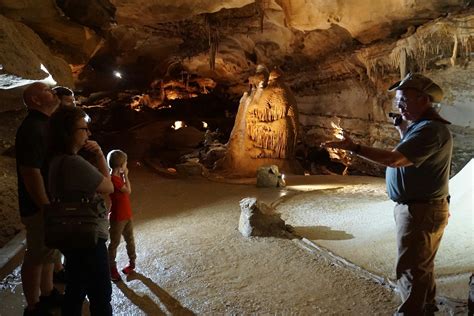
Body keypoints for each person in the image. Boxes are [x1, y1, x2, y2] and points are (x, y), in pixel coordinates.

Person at [321, 73, 452, 316]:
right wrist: (404, 132)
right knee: (421, 266)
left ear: (423, 100)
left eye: (403, 101)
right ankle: (426, 309)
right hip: (421, 207)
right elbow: (415, 162)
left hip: (420, 209)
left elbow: (395, 160)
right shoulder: (422, 128)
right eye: (397, 102)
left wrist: (355, 148)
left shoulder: (430, 131)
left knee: (410, 269)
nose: (399, 107)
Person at [48, 106, 114, 315]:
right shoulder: (74, 163)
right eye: (84, 129)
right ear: (69, 132)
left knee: (75, 287)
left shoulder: (55, 160)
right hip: (87, 235)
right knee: (100, 293)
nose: (88, 133)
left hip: (69, 232)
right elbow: (108, 187)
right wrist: (101, 156)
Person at [15, 82, 63, 315]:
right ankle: (34, 306)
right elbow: (30, 171)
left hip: (49, 201)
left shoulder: (44, 124)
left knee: (48, 251)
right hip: (38, 205)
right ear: (35, 100)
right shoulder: (32, 128)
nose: (53, 92)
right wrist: (44, 205)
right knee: (36, 254)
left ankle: (48, 292)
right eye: (47, 90)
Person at [106, 149, 137, 282]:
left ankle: (132, 263)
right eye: (125, 163)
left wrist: (123, 176)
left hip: (126, 214)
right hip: (118, 217)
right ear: (120, 166)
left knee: (129, 239)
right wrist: (127, 176)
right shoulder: (114, 180)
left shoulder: (117, 178)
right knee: (114, 243)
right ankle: (112, 268)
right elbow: (128, 191)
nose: (126, 166)